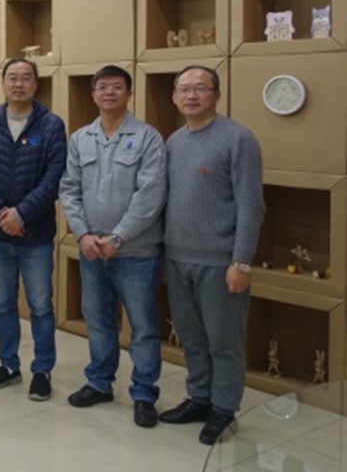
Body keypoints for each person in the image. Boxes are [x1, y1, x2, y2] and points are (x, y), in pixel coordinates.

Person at [159, 66, 264, 445]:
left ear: (216, 95)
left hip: (221, 262)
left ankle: (223, 408)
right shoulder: (174, 142)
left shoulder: (239, 139)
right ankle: (199, 398)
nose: (191, 95)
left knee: (223, 341)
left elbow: (251, 206)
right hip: (177, 258)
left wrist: (241, 262)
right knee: (191, 337)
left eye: (200, 88)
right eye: (184, 89)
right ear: (174, 97)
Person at [59, 65, 167, 428]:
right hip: (91, 249)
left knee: (142, 326)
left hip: (135, 251)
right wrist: (82, 234)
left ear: (129, 93)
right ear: (93, 95)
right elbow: (69, 190)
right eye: (102, 87)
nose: (109, 93)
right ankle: (99, 383)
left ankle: (144, 394)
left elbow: (150, 196)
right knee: (98, 321)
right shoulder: (81, 138)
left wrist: (118, 237)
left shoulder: (148, 137)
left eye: (117, 87)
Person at [0, 57, 66, 401]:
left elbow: (54, 177)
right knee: (3, 304)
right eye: (12, 77)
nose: (18, 84)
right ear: (3, 83)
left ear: (36, 84)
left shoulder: (51, 125)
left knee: (40, 306)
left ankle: (42, 369)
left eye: (26, 78)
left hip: (35, 235)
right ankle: (8, 365)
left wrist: (22, 214)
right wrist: (0, 212)